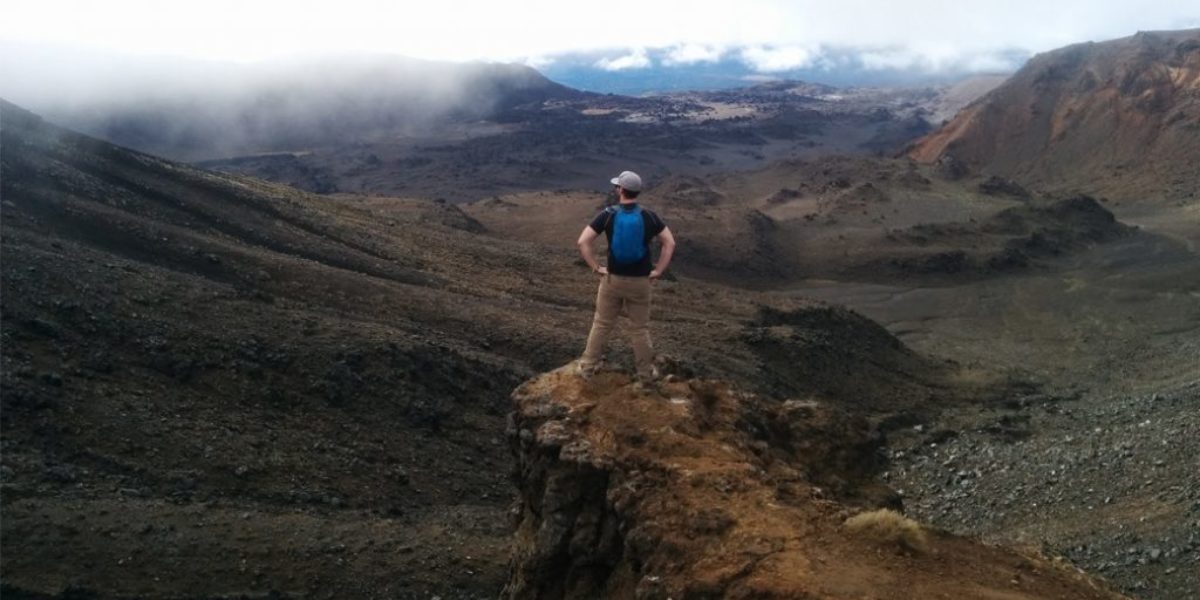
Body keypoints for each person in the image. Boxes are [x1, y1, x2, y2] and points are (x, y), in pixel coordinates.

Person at [575, 170, 676, 383]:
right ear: (637, 191)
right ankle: (645, 374)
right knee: (639, 329)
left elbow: (583, 242)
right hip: (641, 282)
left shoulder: (608, 214)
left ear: (621, 190)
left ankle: (587, 367)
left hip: (613, 280)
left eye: (617, 187)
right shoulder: (649, 216)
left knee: (601, 324)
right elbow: (669, 243)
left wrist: (596, 267)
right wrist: (658, 270)